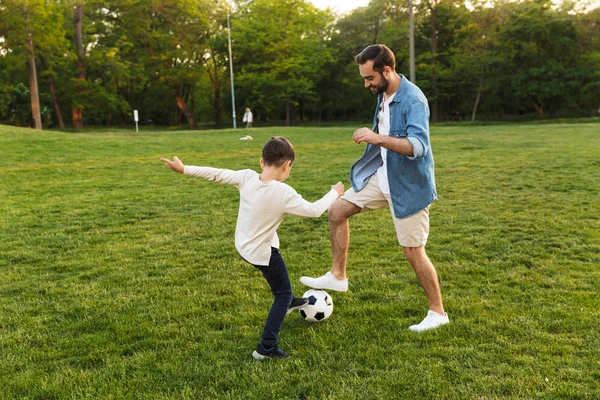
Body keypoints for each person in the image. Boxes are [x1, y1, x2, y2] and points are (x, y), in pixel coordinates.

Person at [300, 44, 449, 332]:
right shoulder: (383, 94)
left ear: (387, 70)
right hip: (383, 178)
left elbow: (418, 147)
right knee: (337, 210)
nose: (367, 84)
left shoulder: (413, 100)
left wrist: (376, 138)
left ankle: (438, 313)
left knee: (413, 251)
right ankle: (338, 275)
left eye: (369, 78)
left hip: (407, 186)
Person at [160, 137, 344, 359]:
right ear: (287, 166)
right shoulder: (283, 193)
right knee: (282, 295)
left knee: (282, 289)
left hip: (244, 245)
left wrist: (184, 169)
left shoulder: (246, 177)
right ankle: (266, 348)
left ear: (261, 161)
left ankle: (288, 301)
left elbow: (216, 173)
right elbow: (314, 210)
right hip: (262, 253)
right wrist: (335, 192)